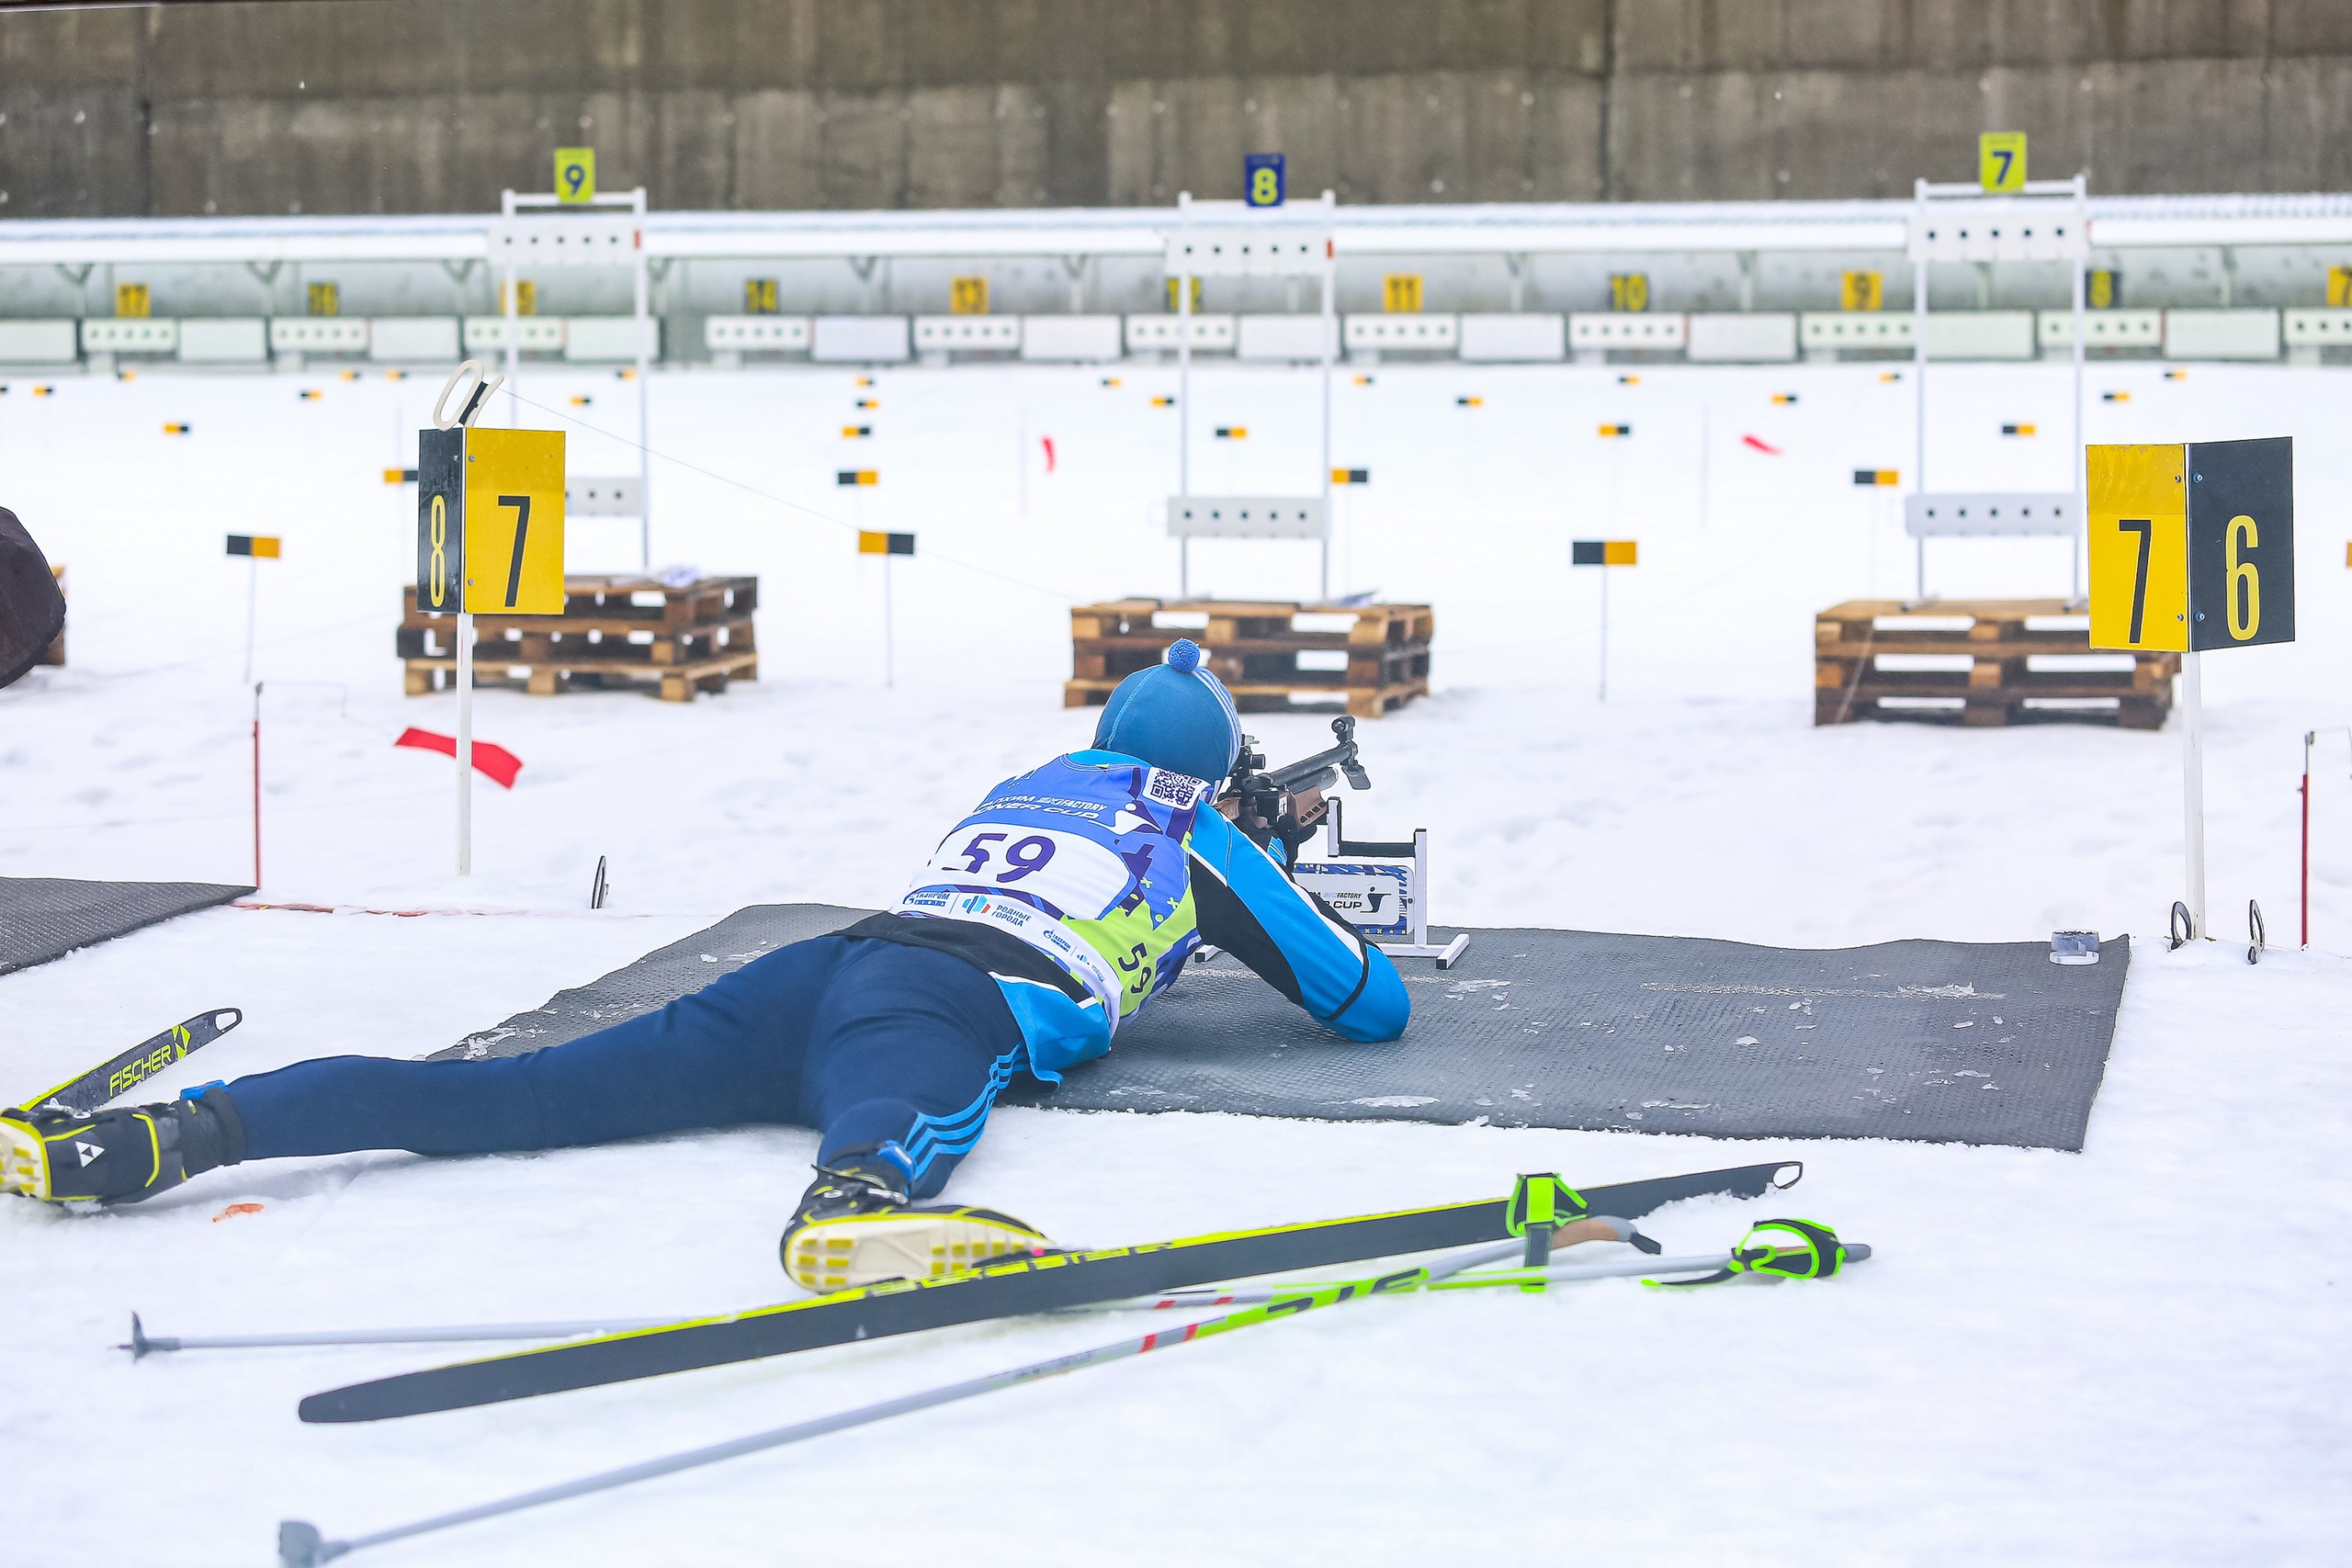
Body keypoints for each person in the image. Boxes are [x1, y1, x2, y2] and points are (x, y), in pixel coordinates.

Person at [1, 640, 1410, 1292]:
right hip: (952, 998)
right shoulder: (1196, 830)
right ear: (1210, 777)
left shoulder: (1022, 780)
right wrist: (1259, 861)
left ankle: (178, 1133)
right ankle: (853, 1204)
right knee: (904, 1111)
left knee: (514, 1097)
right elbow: (1366, 1001)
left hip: (821, 966)